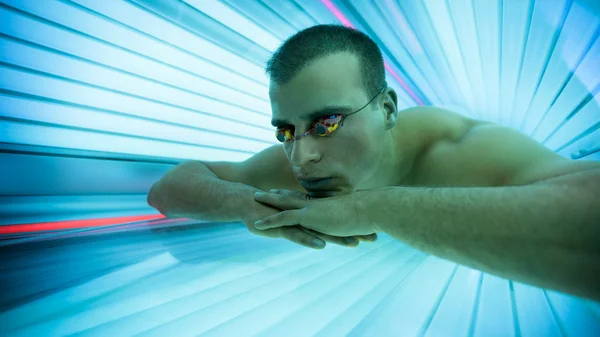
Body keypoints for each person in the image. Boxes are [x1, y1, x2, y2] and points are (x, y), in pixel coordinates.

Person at [147, 25, 600, 301]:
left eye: (327, 123)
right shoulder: (306, 158)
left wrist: (369, 208)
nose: (302, 156)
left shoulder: (465, 151)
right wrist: (246, 204)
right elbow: (168, 188)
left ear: (387, 110)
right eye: (285, 130)